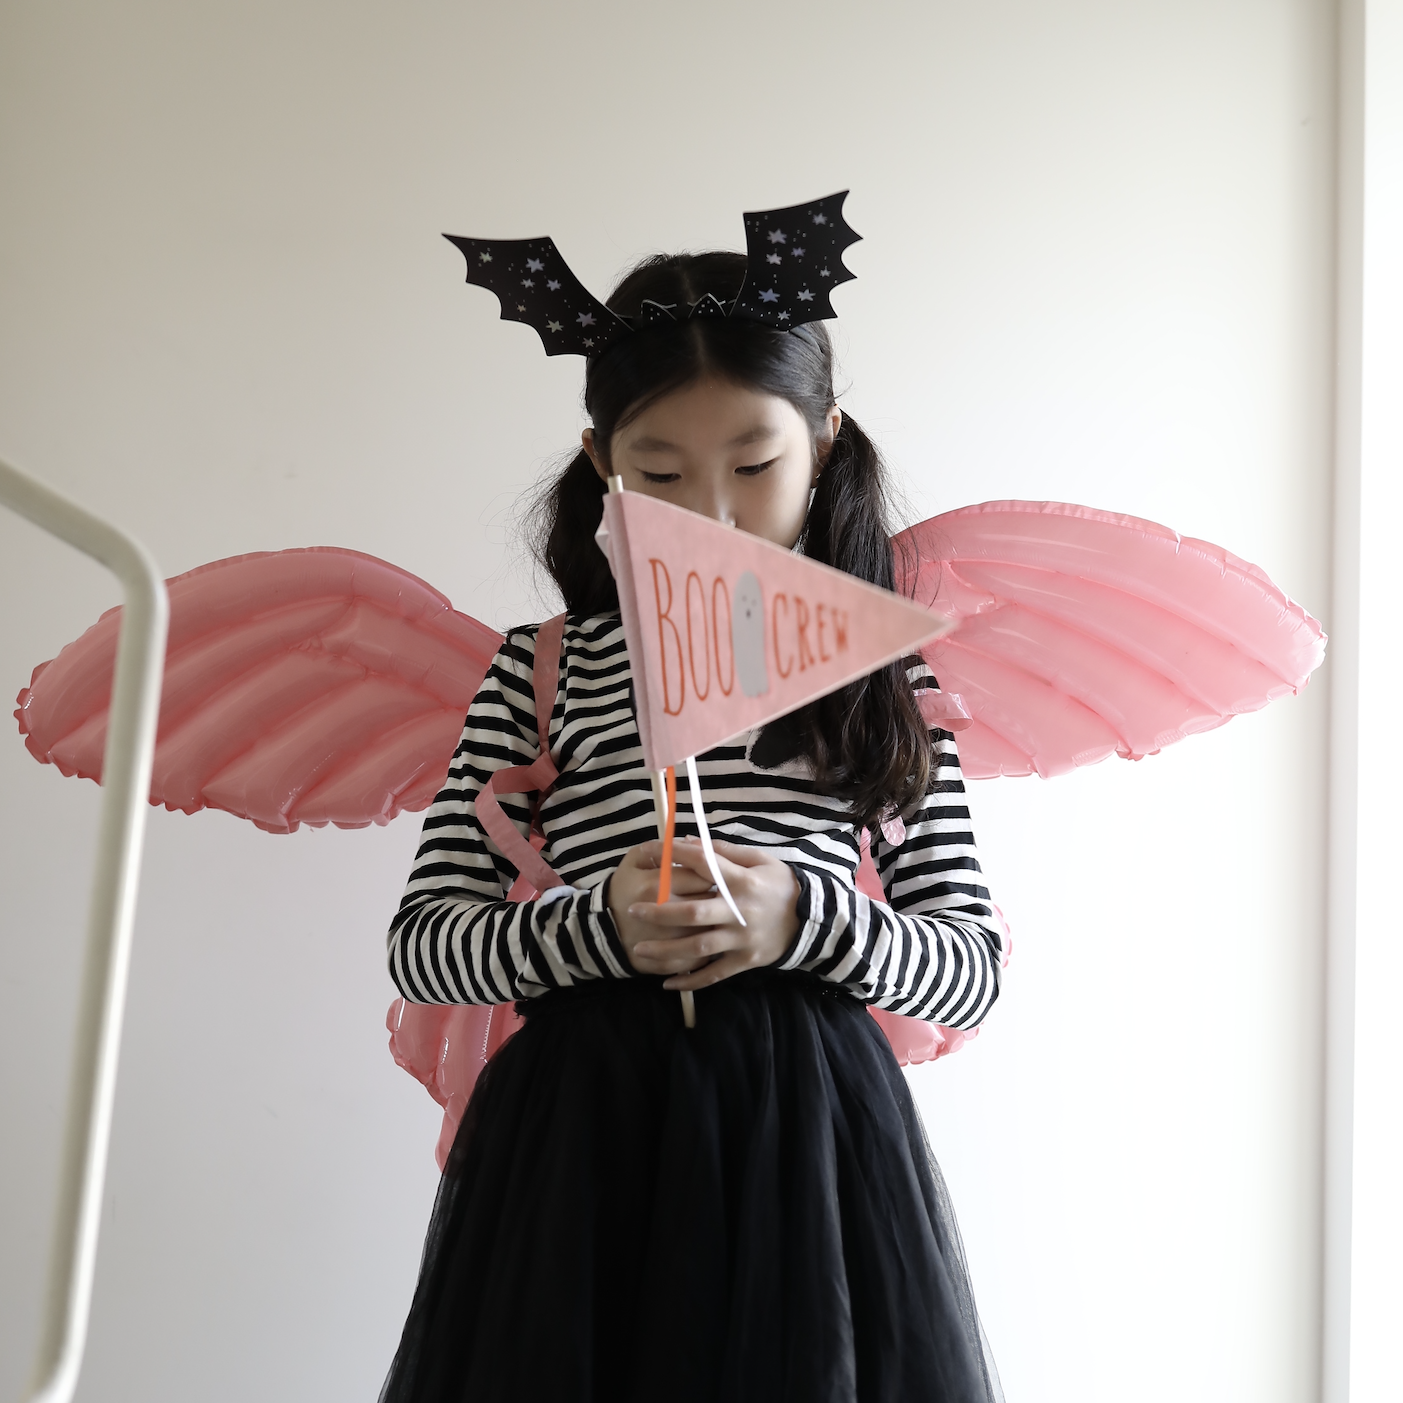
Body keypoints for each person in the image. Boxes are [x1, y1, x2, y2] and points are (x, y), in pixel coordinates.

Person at [379, 249, 1007, 1403]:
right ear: (599, 464)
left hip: (807, 1143)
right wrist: (599, 926)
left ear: (824, 442)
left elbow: (967, 968)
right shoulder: (541, 669)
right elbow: (425, 944)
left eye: (754, 463)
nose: (710, 511)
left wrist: (801, 916)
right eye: (657, 471)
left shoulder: (879, 670)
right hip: (580, 1141)